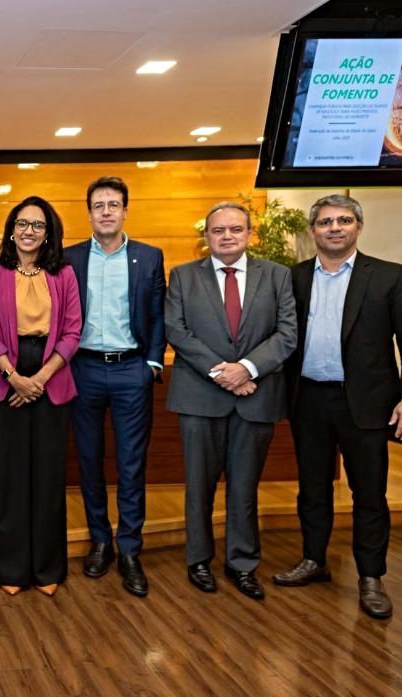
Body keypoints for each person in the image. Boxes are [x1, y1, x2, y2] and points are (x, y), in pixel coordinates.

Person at [274, 194, 402, 619]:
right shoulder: (293, 277)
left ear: (358, 226)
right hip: (308, 400)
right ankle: (314, 560)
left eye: (343, 220)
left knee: (369, 493)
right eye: (324, 222)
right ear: (313, 230)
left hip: (368, 403)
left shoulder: (391, 276)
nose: (334, 228)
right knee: (312, 488)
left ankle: (371, 577)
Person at [165, 202, 296, 600]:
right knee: (198, 486)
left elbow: (287, 333)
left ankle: (242, 564)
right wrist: (224, 373)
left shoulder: (276, 275)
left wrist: (248, 369)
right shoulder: (183, 276)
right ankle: (198, 560)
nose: (227, 236)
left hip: (256, 397)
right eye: (218, 230)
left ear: (249, 234)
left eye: (235, 229)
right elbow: (176, 330)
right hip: (199, 397)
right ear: (206, 236)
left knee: (245, 488)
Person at [65, 176, 167, 597]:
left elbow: (158, 313)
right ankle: (100, 541)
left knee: (131, 464)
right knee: (89, 460)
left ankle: (129, 549)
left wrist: (153, 364)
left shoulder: (149, 256)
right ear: (89, 213)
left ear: (125, 210)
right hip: (83, 369)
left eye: (113, 204)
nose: (106, 211)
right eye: (98, 205)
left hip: (132, 371)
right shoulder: (69, 258)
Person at [0, 196, 81, 596]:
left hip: (52, 374)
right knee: (9, 476)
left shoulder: (64, 274)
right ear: (11, 230)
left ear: (48, 233)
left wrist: (39, 379)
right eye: (22, 223)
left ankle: (47, 568)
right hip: (5, 375)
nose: (29, 231)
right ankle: (9, 567)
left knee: (49, 477)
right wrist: (15, 378)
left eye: (38, 225)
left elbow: (72, 331)